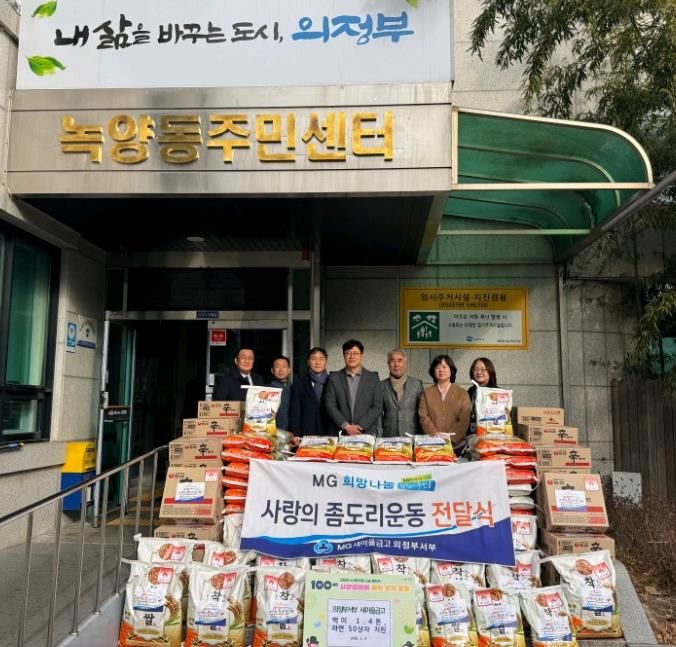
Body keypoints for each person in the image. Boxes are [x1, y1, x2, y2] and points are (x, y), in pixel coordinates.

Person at [324, 339, 383, 436]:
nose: (352, 356)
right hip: (340, 432)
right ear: (344, 355)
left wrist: (360, 426)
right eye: (348, 353)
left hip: (366, 432)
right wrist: (346, 426)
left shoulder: (373, 378)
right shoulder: (334, 378)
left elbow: (378, 405)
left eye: (356, 353)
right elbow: (330, 404)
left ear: (361, 355)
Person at [418, 354, 471, 451]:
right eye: (437, 367)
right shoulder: (426, 393)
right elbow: (423, 417)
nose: (441, 370)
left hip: (456, 445)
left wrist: (450, 438)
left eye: (444, 367)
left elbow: (464, 419)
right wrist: (435, 435)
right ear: (433, 371)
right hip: (432, 444)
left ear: (451, 370)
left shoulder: (462, 393)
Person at [290, 347, 333, 437]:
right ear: (308, 362)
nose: (317, 362)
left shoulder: (333, 381)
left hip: (330, 431)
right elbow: (296, 411)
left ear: (326, 361)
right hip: (307, 432)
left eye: (321, 359)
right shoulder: (299, 383)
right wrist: (295, 434)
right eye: (313, 359)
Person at [381, 348, 423, 437]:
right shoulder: (381, 385)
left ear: (405, 363)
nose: (396, 364)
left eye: (400, 360)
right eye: (392, 361)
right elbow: (378, 414)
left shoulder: (417, 384)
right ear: (388, 364)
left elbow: (422, 412)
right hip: (389, 433)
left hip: (411, 432)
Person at [467, 357, 499, 437]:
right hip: (472, 435)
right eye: (476, 369)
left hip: (492, 436)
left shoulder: (497, 392)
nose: (479, 372)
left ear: (490, 371)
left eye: (483, 369)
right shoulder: (471, 391)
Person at [268, 355, 292, 431]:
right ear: (272, 370)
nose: (281, 370)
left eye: (284, 366)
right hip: (272, 431)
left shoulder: (294, 389)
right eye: (277, 367)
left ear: (289, 370)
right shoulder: (266, 389)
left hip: (292, 432)